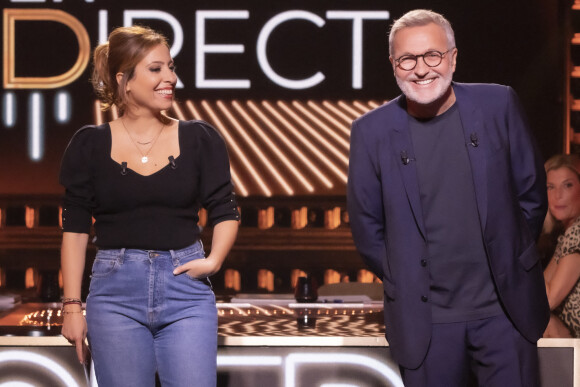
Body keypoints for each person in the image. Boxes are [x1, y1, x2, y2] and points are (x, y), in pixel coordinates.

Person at [347, 9, 549, 387]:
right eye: (408, 59)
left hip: (505, 316)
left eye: (432, 55)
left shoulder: (498, 105)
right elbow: (366, 226)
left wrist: (511, 255)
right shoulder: (370, 131)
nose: (421, 69)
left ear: (453, 58)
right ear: (394, 65)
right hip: (427, 326)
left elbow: (532, 195)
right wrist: (403, 276)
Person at [59, 25, 239, 387]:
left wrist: (214, 261)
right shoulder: (89, 144)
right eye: (156, 69)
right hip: (114, 293)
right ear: (124, 80)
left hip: (185, 289)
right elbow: (75, 229)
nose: (170, 77)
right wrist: (72, 306)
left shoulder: (200, 138)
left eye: (170, 67)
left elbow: (225, 209)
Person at [543, 154, 580, 338]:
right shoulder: (566, 235)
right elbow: (538, 292)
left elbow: (547, 300)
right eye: (550, 187)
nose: (558, 195)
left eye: (568, 185)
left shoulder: (578, 232)